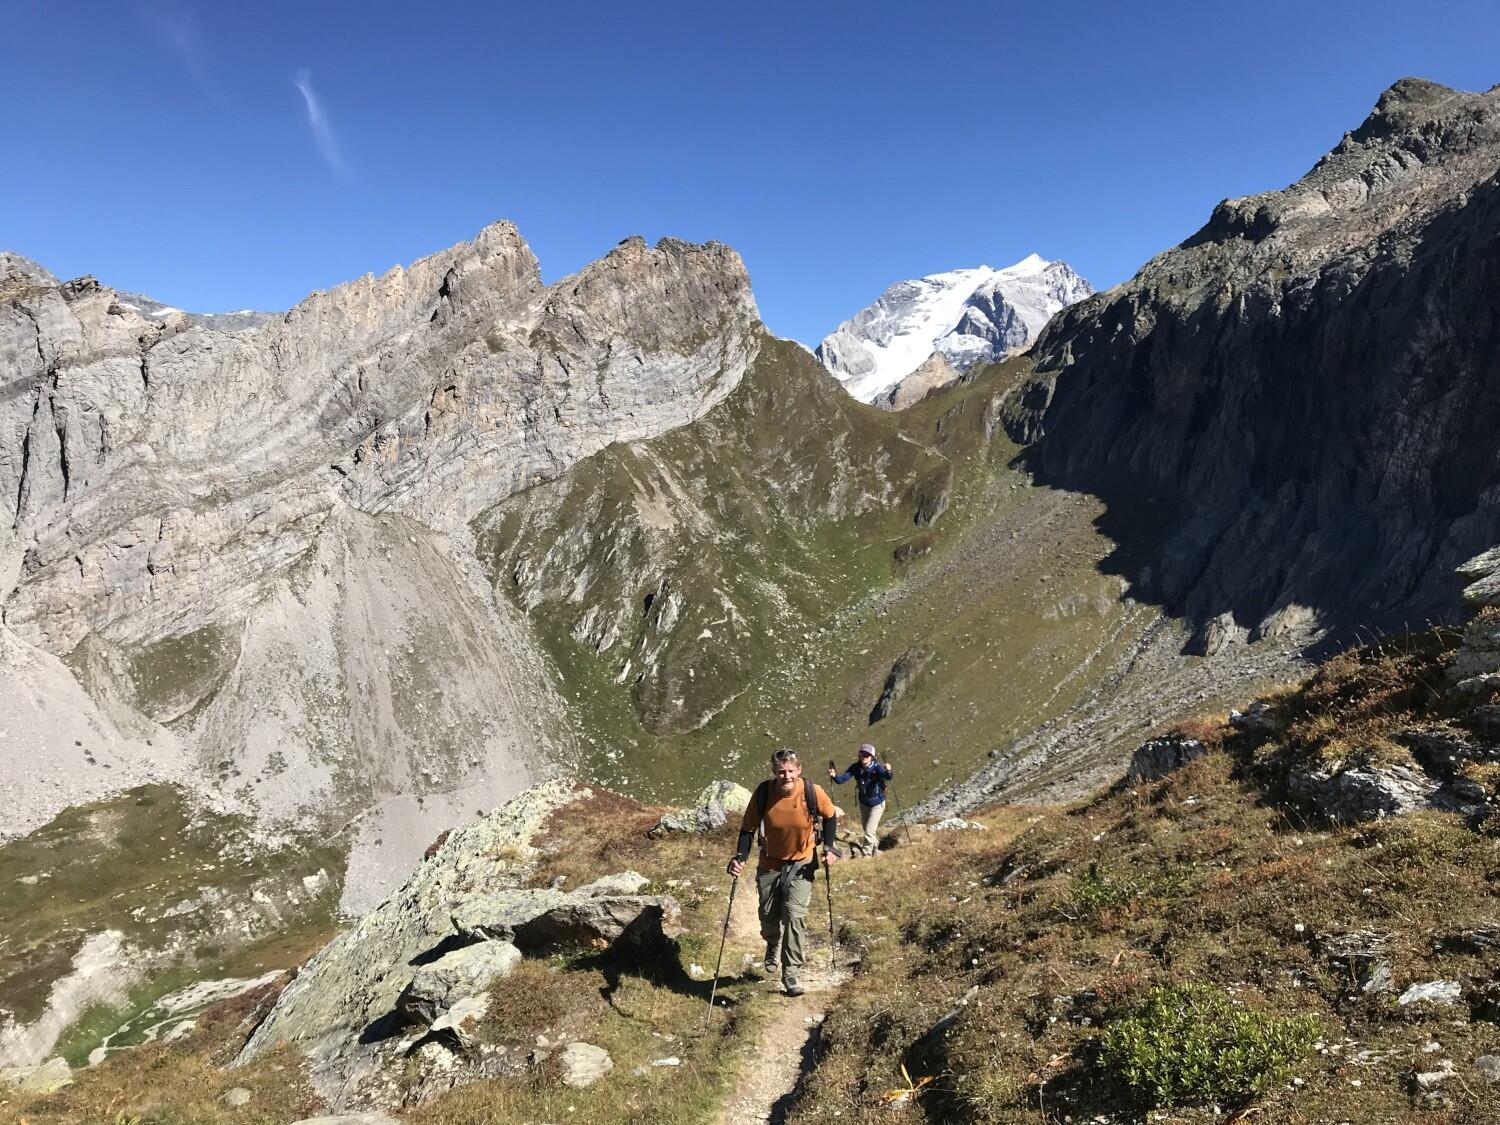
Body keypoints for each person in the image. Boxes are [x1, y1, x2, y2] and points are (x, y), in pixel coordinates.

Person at [727, 748, 840, 997]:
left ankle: (791, 973)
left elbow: (830, 816)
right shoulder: (764, 793)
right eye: (781, 771)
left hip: (802, 863)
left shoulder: (812, 792)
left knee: (794, 916)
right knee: (768, 916)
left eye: (790, 771)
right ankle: (772, 942)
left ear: (799, 770)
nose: (786, 776)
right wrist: (740, 857)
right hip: (770, 863)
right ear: (774, 771)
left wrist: (830, 848)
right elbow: (747, 829)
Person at [828, 742, 892, 857]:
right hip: (864, 803)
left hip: (877, 804)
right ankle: (875, 848)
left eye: (867, 755)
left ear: (871, 756)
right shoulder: (856, 767)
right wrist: (834, 775)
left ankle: (866, 854)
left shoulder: (877, 768)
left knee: (869, 831)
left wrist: (888, 770)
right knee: (867, 828)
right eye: (861, 754)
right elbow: (841, 780)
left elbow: (888, 777)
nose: (864, 757)